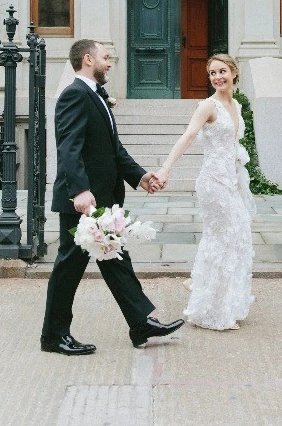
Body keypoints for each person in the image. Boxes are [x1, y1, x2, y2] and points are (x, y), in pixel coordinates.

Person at [41, 40, 185, 355]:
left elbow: (113, 151)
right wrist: (79, 190)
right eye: (106, 58)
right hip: (83, 202)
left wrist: (141, 177)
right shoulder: (74, 95)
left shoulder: (96, 96)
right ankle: (53, 335)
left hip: (101, 201)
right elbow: (69, 146)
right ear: (88, 59)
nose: (110, 63)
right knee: (69, 266)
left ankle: (141, 323)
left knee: (114, 258)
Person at [154, 54, 255, 331]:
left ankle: (204, 286)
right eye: (212, 73)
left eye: (222, 71)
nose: (217, 77)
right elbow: (187, 137)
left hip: (231, 179)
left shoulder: (235, 104)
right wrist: (165, 169)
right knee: (226, 235)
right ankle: (213, 311)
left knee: (236, 235)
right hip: (213, 181)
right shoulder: (207, 106)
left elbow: (233, 145)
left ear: (234, 72)